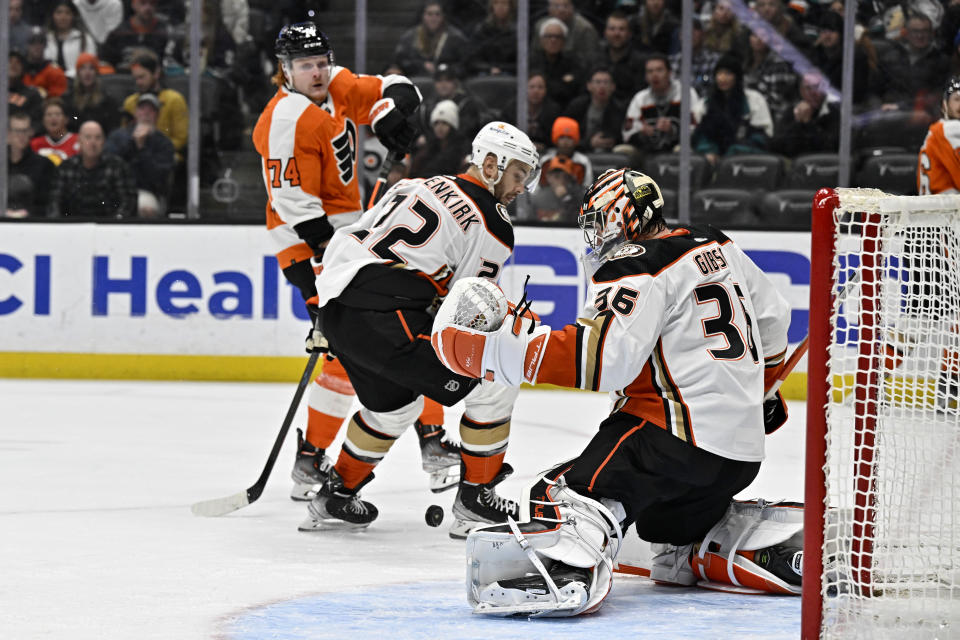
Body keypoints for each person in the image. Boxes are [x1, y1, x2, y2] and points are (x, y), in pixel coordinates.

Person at [431, 168, 796, 616]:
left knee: (558, 492)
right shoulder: (715, 242)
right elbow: (776, 319)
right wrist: (764, 391)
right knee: (664, 528)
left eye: (600, 220)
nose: (595, 235)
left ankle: (567, 567)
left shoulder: (636, 262)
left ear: (628, 215)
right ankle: (710, 545)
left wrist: (496, 350)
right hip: (739, 456)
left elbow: (600, 358)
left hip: (670, 438)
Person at [251, 22, 460, 502]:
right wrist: (338, 260)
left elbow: (395, 89)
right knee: (351, 346)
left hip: (349, 241)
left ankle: (328, 457)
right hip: (310, 247)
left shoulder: (334, 85)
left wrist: (391, 113)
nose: (317, 72)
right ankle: (315, 459)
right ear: (284, 71)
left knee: (392, 333)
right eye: (305, 65)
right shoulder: (285, 118)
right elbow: (291, 202)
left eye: (321, 61)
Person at [299, 121, 540, 535]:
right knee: (496, 378)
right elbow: (463, 304)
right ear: (490, 164)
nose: (522, 187)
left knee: (393, 409)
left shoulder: (416, 184)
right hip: (389, 315)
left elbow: (353, 237)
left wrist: (326, 309)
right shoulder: (493, 224)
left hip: (342, 307)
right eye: (519, 174)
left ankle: (334, 496)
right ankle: (475, 500)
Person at [620, 53, 703, 163]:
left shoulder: (686, 93)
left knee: (682, 150)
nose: (654, 75)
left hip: (677, 148)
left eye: (659, 70)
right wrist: (641, 132)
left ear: (670, 73)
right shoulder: (640, 98)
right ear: (645, 76)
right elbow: (627, 131)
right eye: (650, 71)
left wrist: (673, 130)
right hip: (647, 150)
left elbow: (696, 127)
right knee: (621, 151)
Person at [692, 53, 773, 165]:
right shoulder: (705, 104)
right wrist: (709, 150)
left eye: (728, 73)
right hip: (713, 159)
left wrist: (735, 151)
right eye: (719, 73)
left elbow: (762, 137)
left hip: (744, 156)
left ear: (737, 77)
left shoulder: (754, 100)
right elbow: (700, 135)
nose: (723, 78)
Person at [48, 120, 137, 218]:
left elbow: (128, 201)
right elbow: (54, 201)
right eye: (88, 137)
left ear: (103, 141)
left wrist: (117, 222)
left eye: (97, 138)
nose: (93, 142)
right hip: (73, 226)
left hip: (110, 225)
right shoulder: (65, 168)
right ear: (79, 141)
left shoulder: (118, 166)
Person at [105, 92, 175, 215]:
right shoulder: (118, 136)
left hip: (146, 191)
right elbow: (111, 164)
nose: (146, 113)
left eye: (151, 110)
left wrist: (142, 148)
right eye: (142, 109)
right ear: (136, 113)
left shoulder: (164, 143)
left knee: (146, 208)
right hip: (116, 189)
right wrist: (133, 143)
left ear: (157, 116)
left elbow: (158, 178)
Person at [123, 49, 188, 162]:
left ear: (156, 73)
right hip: (136, 153)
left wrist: (156, 147)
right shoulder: (130, 102)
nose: (138, 82)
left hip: (166, 154)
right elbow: (123, 135)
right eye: (136, 78)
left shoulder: (174, 100)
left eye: (142, 77)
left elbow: (181, 139)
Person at [100, 0, 184, 72]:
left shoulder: (165, 33)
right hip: (123, 82)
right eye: (143, 3)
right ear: (133, 4)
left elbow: (173, 66)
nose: (148, 8)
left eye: (152, 4)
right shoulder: (118, 33)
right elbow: (106, 63)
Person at [393, 1, 466, 77]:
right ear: (423, 16)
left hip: (448, 80)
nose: (433, 18)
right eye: (429, 14)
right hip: (416, 79)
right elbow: (400, 60)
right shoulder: (409, 37)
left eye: (437, 14)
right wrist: (421, 65)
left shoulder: (455, 37)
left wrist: (444, 68)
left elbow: (465, 63)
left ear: (443, 16)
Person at [563, 66, 626, 154]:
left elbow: (623, 137)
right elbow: (565, 136)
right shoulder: (577, 106)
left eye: (606, 82)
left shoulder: (620, 109)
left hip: (612, 155)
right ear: (589, 86)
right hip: (580, 152)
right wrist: (589, 143)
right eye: (598, 82)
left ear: (613, 87)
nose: (602, 86)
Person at [7, 110, 57, 218]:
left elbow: (46, 204)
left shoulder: (44, 165)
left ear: (30, 132)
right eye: (17, 131)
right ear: (8, 134)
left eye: (25, 131)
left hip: (33, 224)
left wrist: (27, 213)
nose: (21, 136)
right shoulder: (2, 165)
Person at [918, 75, 960, 194]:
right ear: (945, 104)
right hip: (946, 209)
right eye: (956, 99)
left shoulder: (938, 129)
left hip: (936, 207)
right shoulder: (950, 129)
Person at [61, 52, 121, 134]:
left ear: (96, 72)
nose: (87, 73)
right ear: (78, 73)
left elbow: (113, 129)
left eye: (91, 68)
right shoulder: (68, 99)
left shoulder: (107, 100)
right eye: (83, 68)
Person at [410, 99, 469, 178]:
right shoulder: (428, 147)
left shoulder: (461, 149)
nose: (440, 127)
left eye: (444, 123)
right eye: (436, 123)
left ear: (452, 126)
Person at [42, 0, 97, 80]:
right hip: (51, 83)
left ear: (73, 16)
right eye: (59, 13)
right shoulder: (46, 39)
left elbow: (92, 65)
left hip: (77, 82)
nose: (63, 17)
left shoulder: (85, 39)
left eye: (67, 13)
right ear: (52, 16)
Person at [540, 116, 593, 187]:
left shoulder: (582, 162)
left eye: (569, 138)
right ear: (556, 139)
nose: (565, 141)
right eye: (561, 137)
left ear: (575, 141)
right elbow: (538, 189)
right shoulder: (546, 161)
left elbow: (587, 186)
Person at [21, 27, 68, 99]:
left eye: (40, 42)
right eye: (32, 42)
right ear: (27, 45)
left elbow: (58, 102)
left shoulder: (55, 72)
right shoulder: (19, 70)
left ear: (45, 45)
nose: (37, 46)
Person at [31, 97, 79, 165]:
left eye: (57, 114)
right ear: (43, 120)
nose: (53, 118)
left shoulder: (78, 141)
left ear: (66, 119)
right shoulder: (34, 144)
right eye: (49, 114)